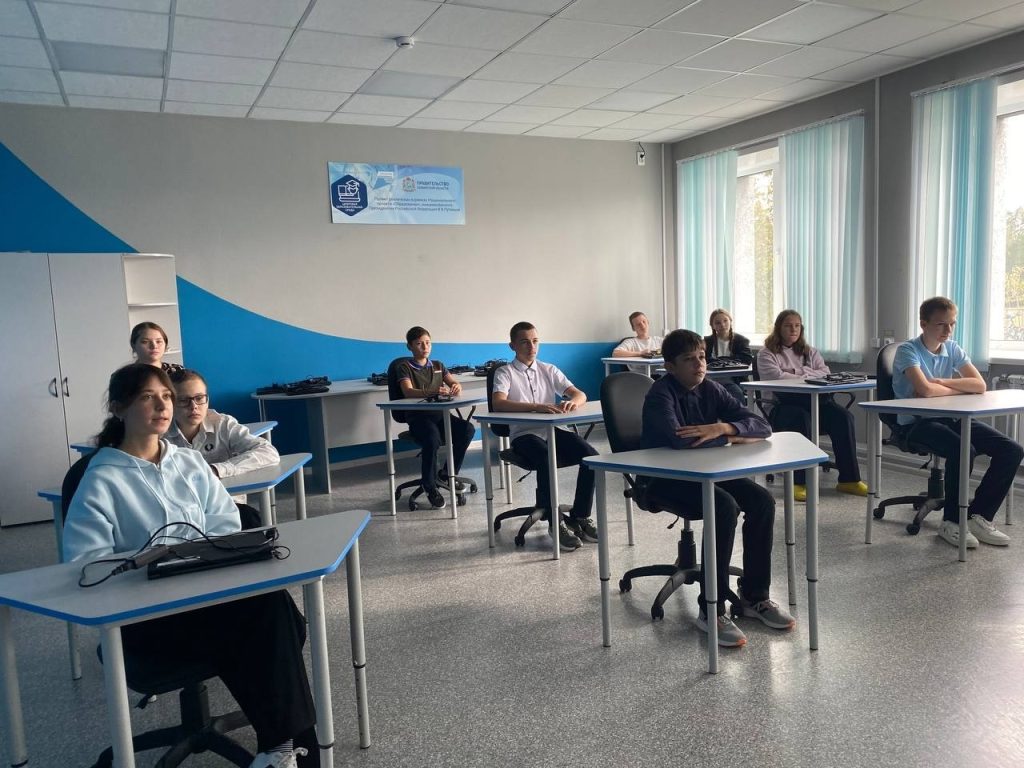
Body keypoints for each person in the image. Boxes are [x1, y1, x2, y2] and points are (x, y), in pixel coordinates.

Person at [62, 364, 317, 768]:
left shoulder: (188, 462)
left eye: (167, 397)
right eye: (148, 397)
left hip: (207, 599)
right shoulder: (100, 479)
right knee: (272, 617)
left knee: (271, 606)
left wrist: (196, 554)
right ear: (119, 407)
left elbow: (226, 523)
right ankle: (289, 747)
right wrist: (148, 560)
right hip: (149, 619)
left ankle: (280, 747)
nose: (162, 406)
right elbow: (86, 566)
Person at [641, 329, 794, 648]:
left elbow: (762, 426)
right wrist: (734, 438)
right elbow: (681, 441)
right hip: (664, 479)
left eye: (701, 357)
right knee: (723, 506)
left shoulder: (711, 388)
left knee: (762, 501)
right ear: (670, 367)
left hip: (707, 471)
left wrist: (723, 427)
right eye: (688, 360)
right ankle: (711, 608)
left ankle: (754, 596)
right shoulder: (660, 394)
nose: (699, 364)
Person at [892, 296, 1023, 548]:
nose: (948, 330)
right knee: (963, 450)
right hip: (915, 423)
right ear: (923, 324)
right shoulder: (908, 350)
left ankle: (977, 516)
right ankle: (952, 522)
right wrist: (952, 387)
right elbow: (924, 390)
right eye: (941, 324)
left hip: (950, 416)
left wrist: (942, 383)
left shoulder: (952, 348)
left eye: (952, 324)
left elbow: (979, 385)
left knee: (1011, 450)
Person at [492, 321, 598, 551]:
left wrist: (573, 402)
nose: (531, 347)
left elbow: (580, 394)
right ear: (512, 346)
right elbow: (498, 402)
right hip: (524, 434)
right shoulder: (505, 372)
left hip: (552, 430)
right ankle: (555, 523)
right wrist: (536, 407)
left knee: (591, 456)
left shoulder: (548, 369)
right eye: (524, 342)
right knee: (545, 457)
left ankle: (580, 516)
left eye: (535, 341)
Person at [757, 309, 867, 502]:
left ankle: (849, 480)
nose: (793, 329)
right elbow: (777, 377)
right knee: (800, 418)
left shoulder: (810, 351)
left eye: (797, 326)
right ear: (779, 328)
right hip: (780, 405)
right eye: (788, 326)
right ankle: (798, 482)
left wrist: (796, 372)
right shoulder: (767, 353)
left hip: (814, 402)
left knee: (843, 417)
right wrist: (808, 373)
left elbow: (826, 372)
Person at [395, 326, 476, 509]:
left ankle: (446, 474)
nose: (425, 347)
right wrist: (432, 391)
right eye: (419, 343)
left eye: (428, 343)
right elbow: (408, 391)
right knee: (432, 439)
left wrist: (456, 386)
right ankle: (429, 485)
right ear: (409, 346)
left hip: (440, 416)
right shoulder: (404, 367)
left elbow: (453, 382)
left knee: (467, 429)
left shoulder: (438, 365)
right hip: (419, 419)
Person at [166, 368, 280, 478]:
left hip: (226, 491)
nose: (193, 406)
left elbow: (269, 452)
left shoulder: (222, 424)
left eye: (199, 398)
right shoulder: (160, 434)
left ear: (207, 400)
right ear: (170, 404)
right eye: (183, 400)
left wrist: (217, 470)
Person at [703, 307, 752, 401]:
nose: (722, 325)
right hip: (711, 378)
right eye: (718, 323)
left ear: (730, 321)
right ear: (712, 326)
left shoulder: (741, 340)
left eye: (725, 321)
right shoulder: (707, 341)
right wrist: (729, 361)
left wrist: (719, 361)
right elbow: (704, 359)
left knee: (735, 392)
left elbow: (746, 359)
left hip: (735, 379)